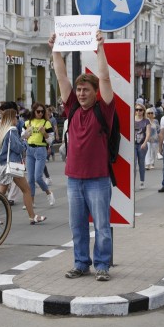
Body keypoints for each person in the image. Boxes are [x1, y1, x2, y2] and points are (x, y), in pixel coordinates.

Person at [50, 30, 115, 282]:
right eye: (78, 90)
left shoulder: (105, 109)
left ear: (95, 92)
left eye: (85, 89)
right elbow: (61, 75)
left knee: (101, 226)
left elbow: (106, 78)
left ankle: (101, 265)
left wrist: (100, 50)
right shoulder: (72, 107)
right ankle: (80, 263)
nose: (80, 93)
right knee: (77, 226)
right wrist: (55, 49)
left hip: (98, 178)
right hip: (73, 179)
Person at [0, 109, 46, 223]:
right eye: (16, 117)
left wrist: (22, 137)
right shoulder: (12, 130)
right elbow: (18, 148)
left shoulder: (4, 130)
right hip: (13, 164)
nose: (17, 119)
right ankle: (32, 216)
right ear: (12, 119)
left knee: (0, 191)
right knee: (26, 190)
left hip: (4, 164)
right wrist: (26, 140)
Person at [22, 102, 55, 206]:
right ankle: (31, 202)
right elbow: (23, 137)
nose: (40, 113)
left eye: (42, 111)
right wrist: (26, 133)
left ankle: (49, 193)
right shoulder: (28, 122)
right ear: (34, 111)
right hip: (30, 150)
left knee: (38, 177)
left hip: (41, 150)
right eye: (38, 111)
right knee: (30, 178)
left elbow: (50, 140)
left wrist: (44, 132)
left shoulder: (47, 123)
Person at [134, 103, 151, 190]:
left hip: (142, 145)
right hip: (133, 145)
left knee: (141, 163)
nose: (138, 111)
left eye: (140, 110)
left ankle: (142, 181)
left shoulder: (146, 121)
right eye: (136, 110)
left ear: (143, 111)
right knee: (133, 164)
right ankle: (132, 183)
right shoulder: (132, 119)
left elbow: (148, 133)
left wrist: (145, 143)